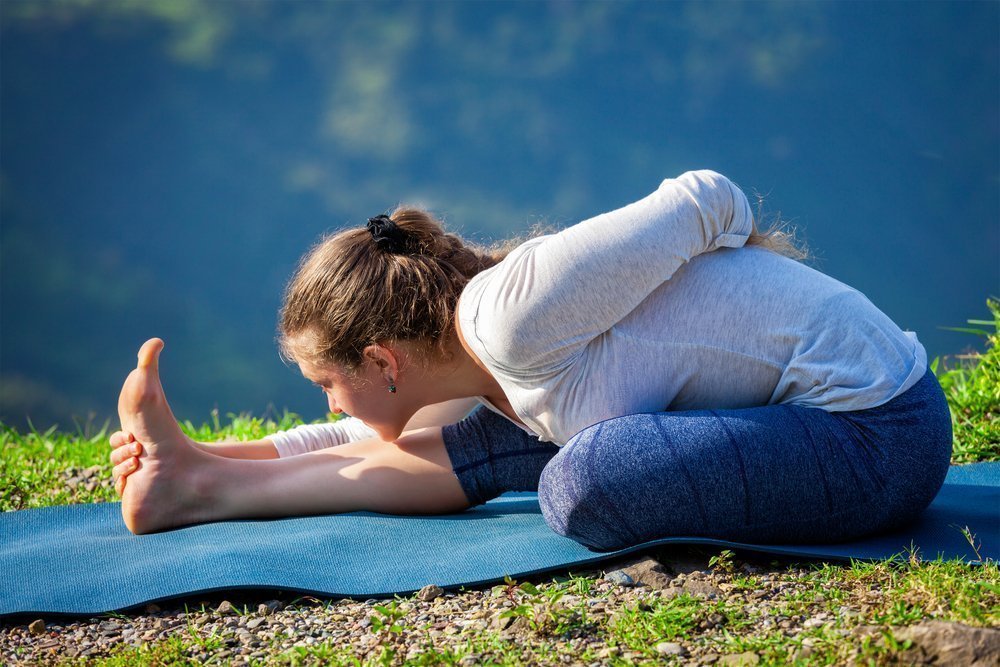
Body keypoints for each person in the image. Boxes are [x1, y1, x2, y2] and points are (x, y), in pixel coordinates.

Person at [110, 170, 952, 548]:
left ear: (383, 359)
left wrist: (745, 293)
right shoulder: (468, 360)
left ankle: (200, 482)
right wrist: (197, 452)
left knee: (581, 480)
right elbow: (370, 446)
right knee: (498, 444)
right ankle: (200, 486)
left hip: (875, 431)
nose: (331, 406)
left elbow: (706, 195)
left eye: (329, 384)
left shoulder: (511, 317)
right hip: (796, 421)